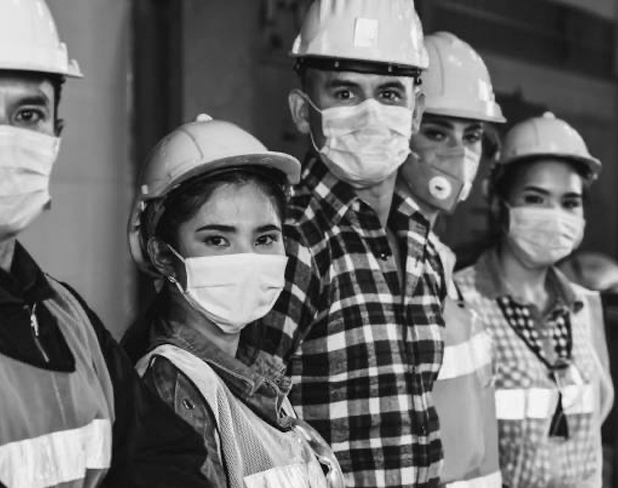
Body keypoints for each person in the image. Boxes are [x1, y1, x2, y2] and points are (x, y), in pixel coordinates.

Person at [0, 1, 211, 486]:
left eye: (27, 113)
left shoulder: (65, 314)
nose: (2, 141)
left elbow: (172, 461)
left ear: (55, 137)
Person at [254, 1, 447, 486]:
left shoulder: (419, 241)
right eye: (345, 92)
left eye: (388, 92)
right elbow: (249, 423)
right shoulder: (290, 240)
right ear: (303, 111)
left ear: (416, 111)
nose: (370, 113)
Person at [124, 114, 344, 488]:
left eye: (264, 239)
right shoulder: (172, 391)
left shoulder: (256, 381)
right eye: (217, 240)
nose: (247, 259)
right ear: (162, 255)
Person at [454, 113, 614, 487]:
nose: (554, 216)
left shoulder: (585, 306)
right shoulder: (460, 300)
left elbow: (593, 431)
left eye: (569, 202)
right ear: (498, 202)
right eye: (535, 198)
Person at [398, 32, 505, 488]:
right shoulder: (383, 258)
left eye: (473, 136)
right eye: (437, 132)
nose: (458, 154)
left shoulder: (440, 256)